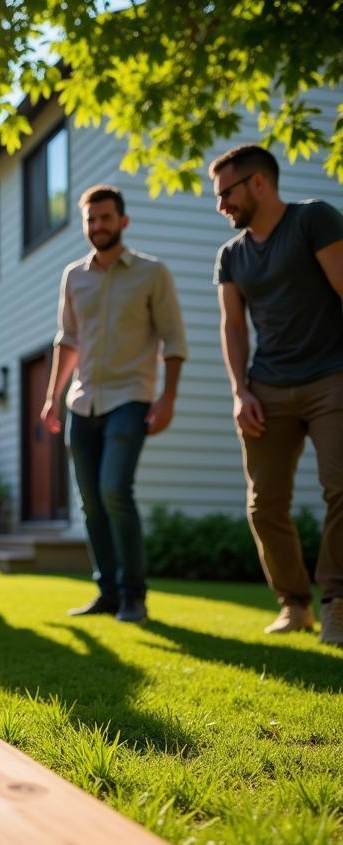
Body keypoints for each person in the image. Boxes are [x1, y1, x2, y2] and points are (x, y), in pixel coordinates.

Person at [209, 145, 343, 644]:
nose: (221, 204)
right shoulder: (231, 255)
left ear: (259, 183)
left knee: (341, 487)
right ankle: (295, 604)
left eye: (227, 192)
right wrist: (239, 391)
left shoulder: (314, 221)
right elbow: (233, 327)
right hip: (266, 386)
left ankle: (337, 602)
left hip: (332, 375)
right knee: (264, 504)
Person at [42, 184, 187, 624]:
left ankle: (133, 594)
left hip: (131, 399)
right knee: (90, 503)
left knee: (114, 492)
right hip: (81, 402)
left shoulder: (152, 272)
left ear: (123, 221)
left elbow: (174, 340)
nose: (98, 226)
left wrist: (168, 398)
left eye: (105, 218)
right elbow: (67, 340)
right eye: (91, 219)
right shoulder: (74, 275)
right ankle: (106, 592)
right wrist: (51, 398)